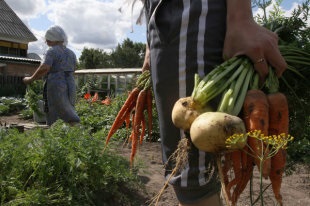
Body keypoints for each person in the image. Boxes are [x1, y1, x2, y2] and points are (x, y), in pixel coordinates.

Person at [141, 0, 287, 205]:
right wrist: (150, 39)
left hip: (191, 11)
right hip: (161, 17)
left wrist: (240, 17)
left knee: (193, 176)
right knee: (189, 173)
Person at [23, 25, 80, 126]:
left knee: (56, 107)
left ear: (53, 39)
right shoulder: (71, 53)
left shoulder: (52, 51)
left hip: (57, 83)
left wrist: (30, 79)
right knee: (68, 106)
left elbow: (45, 68)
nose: (46, 42)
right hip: (70, 83)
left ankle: (62, 130)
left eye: (48, 39)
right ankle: (70, 132)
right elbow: (74, 69)